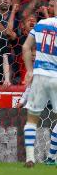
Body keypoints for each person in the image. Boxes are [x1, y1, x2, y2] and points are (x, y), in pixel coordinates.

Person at [21, 16, 57, 167]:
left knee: (32, 120)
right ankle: (51, 157)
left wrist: (29, 71)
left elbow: (25, 47)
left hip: (40, 75)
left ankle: (30, 158)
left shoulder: (41, 24)